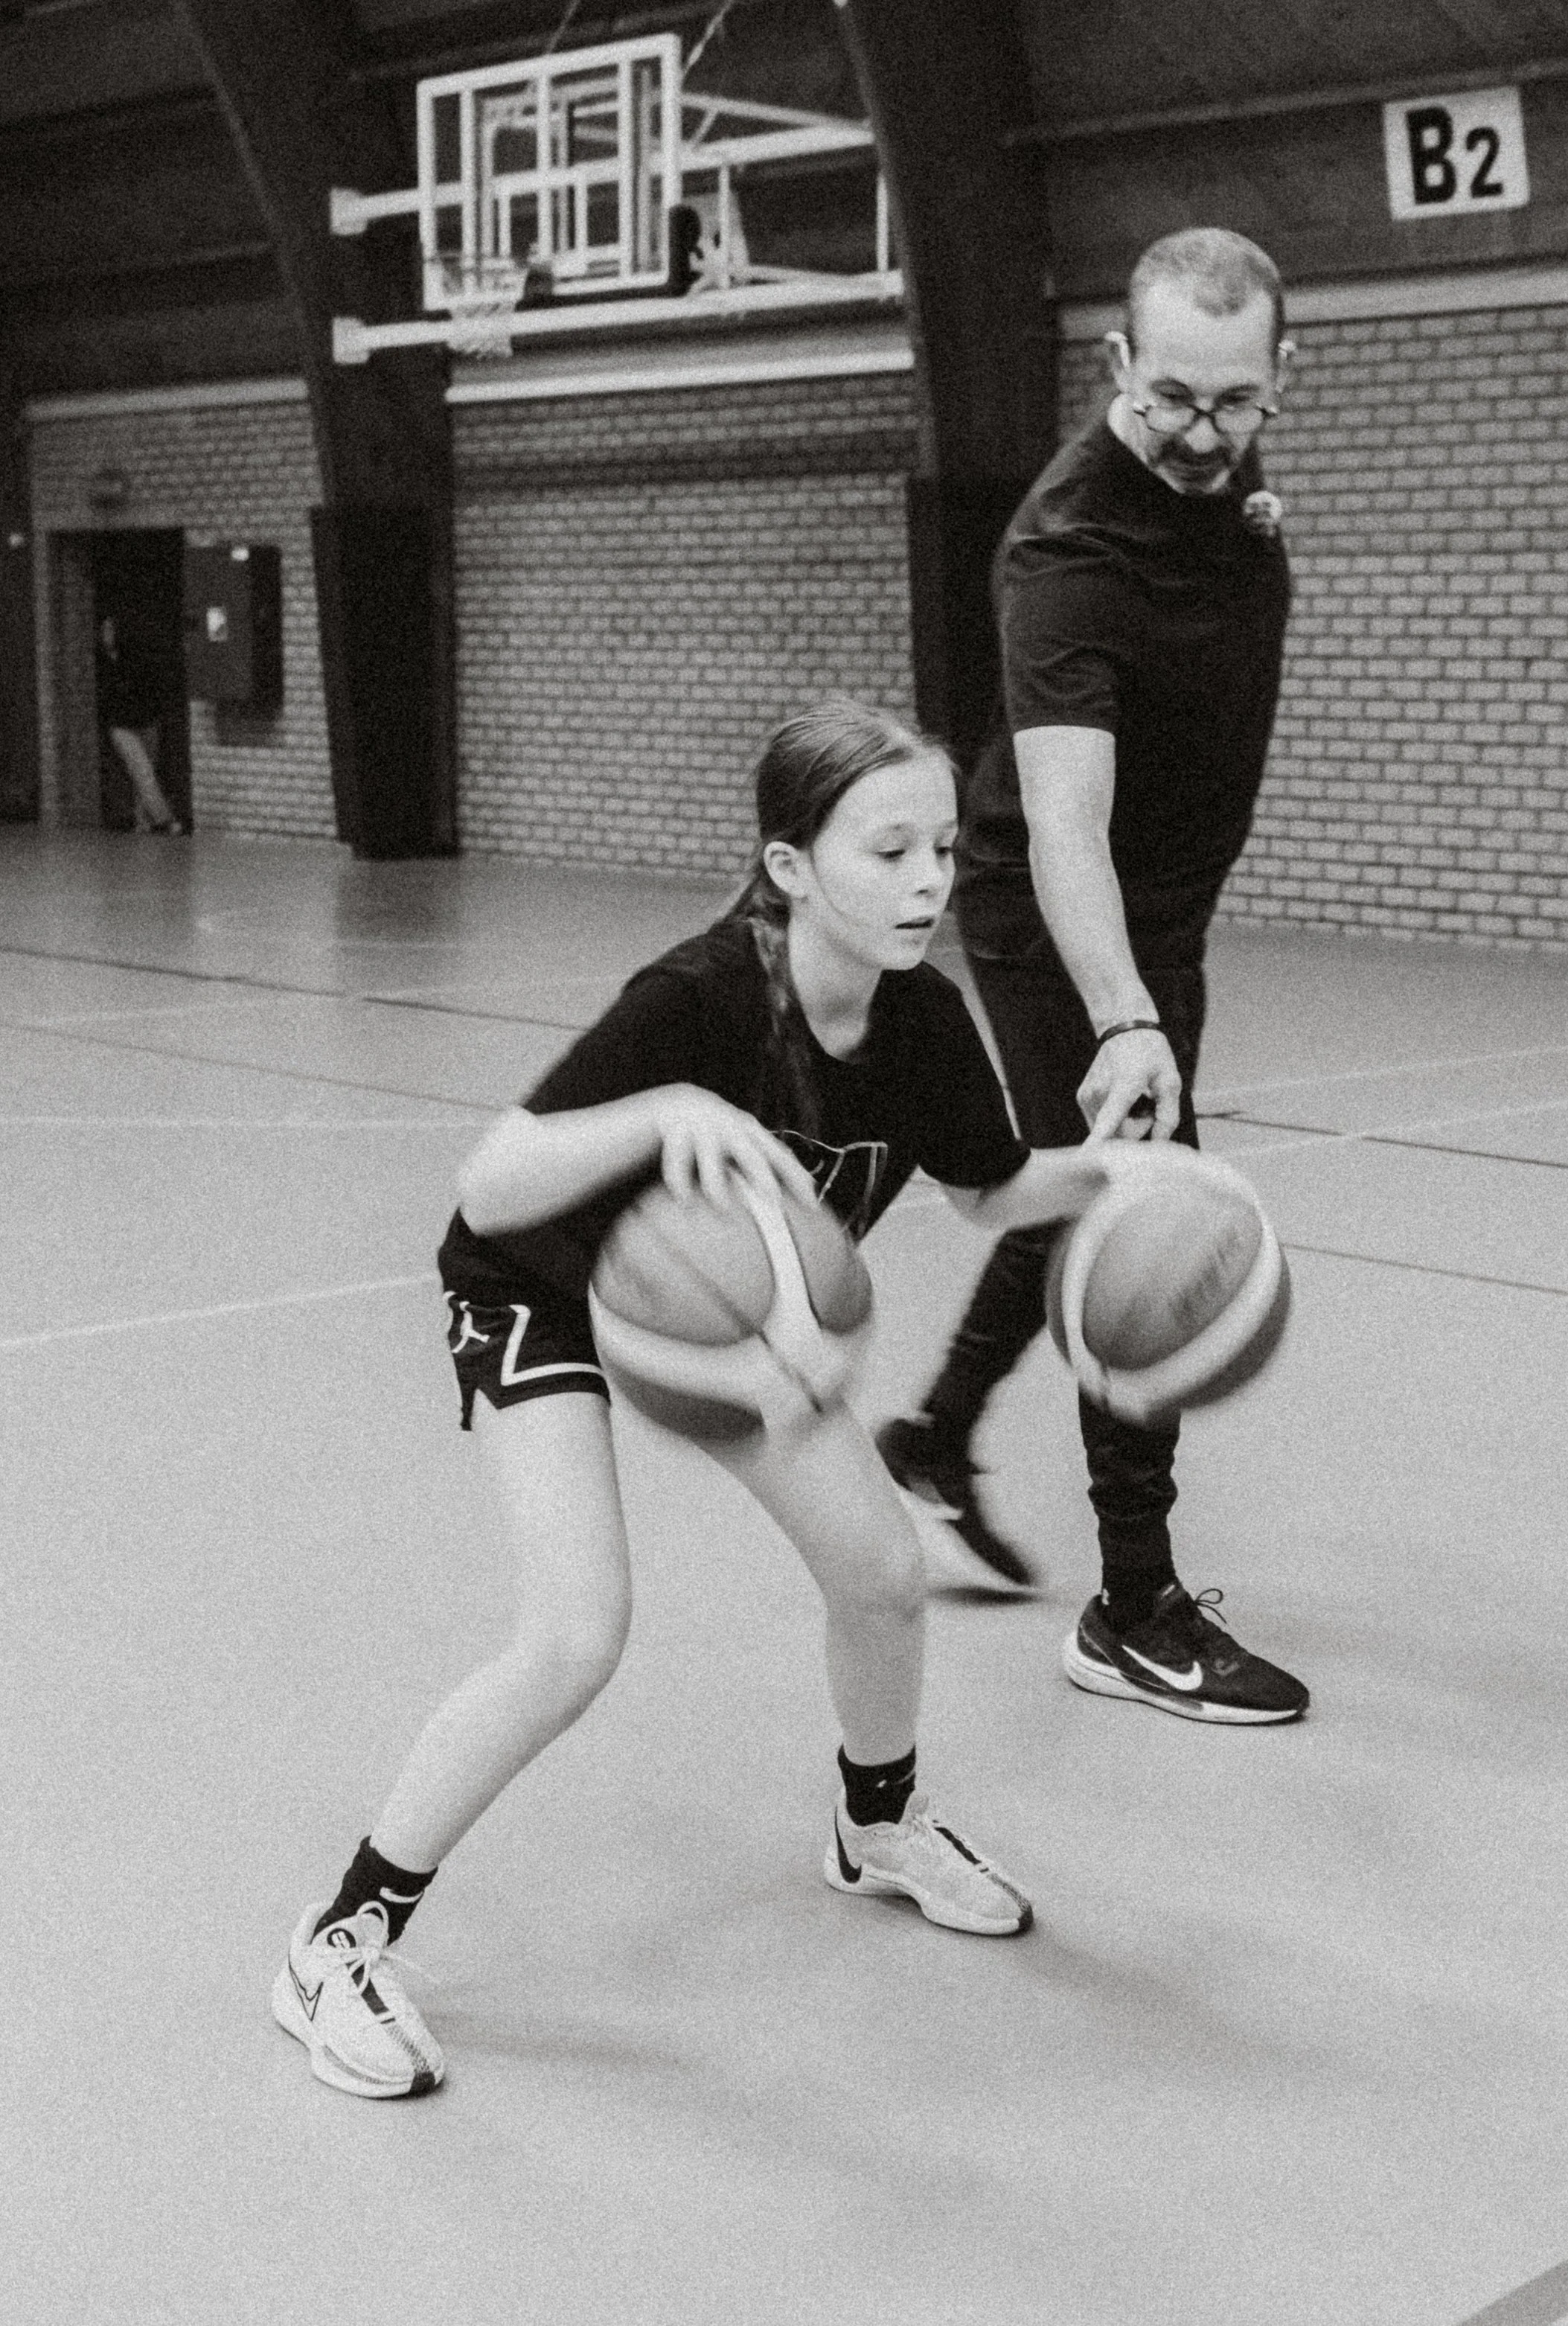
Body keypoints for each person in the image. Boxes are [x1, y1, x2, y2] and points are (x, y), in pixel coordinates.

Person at [275, 698, 1160, 2100]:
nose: (932, 878)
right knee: (576, 1633)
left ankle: (877, 1829)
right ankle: (339, 1943)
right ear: (794, 865)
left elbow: (993, 1188)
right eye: (891, 850)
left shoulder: (923, 1020)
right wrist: (662, 1115)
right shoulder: (695, 997)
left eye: (942, 846)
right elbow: (493, 1180)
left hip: (734, 1328)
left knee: (880, 1572)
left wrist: (1145, 1178)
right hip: (544, 1283)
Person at [877, 227, 1311, 1728]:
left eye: (1234, 402)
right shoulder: (1062, 549)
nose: (1199, 433)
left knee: (1072, 1189)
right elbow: (1063, 817)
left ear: (1278, 377)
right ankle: (1131, 1605)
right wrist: (1123, 1014)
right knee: (1143, 1211)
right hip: (1056, 914)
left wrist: (1241, 507)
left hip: (1167, 914)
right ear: (1116, 364)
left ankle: (931, 1433)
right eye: (1170, 398)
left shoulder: (1224, 500)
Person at [95, 613, 182, 833]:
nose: (105, 635)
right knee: (143, 772)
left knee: (144, 775)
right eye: (103, 630)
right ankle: (166, 820)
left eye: (110, 630)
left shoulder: (134, 658)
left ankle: (142, 824)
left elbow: (151, 688)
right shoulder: (101, 662)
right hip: (121, 726)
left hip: (147, 720)